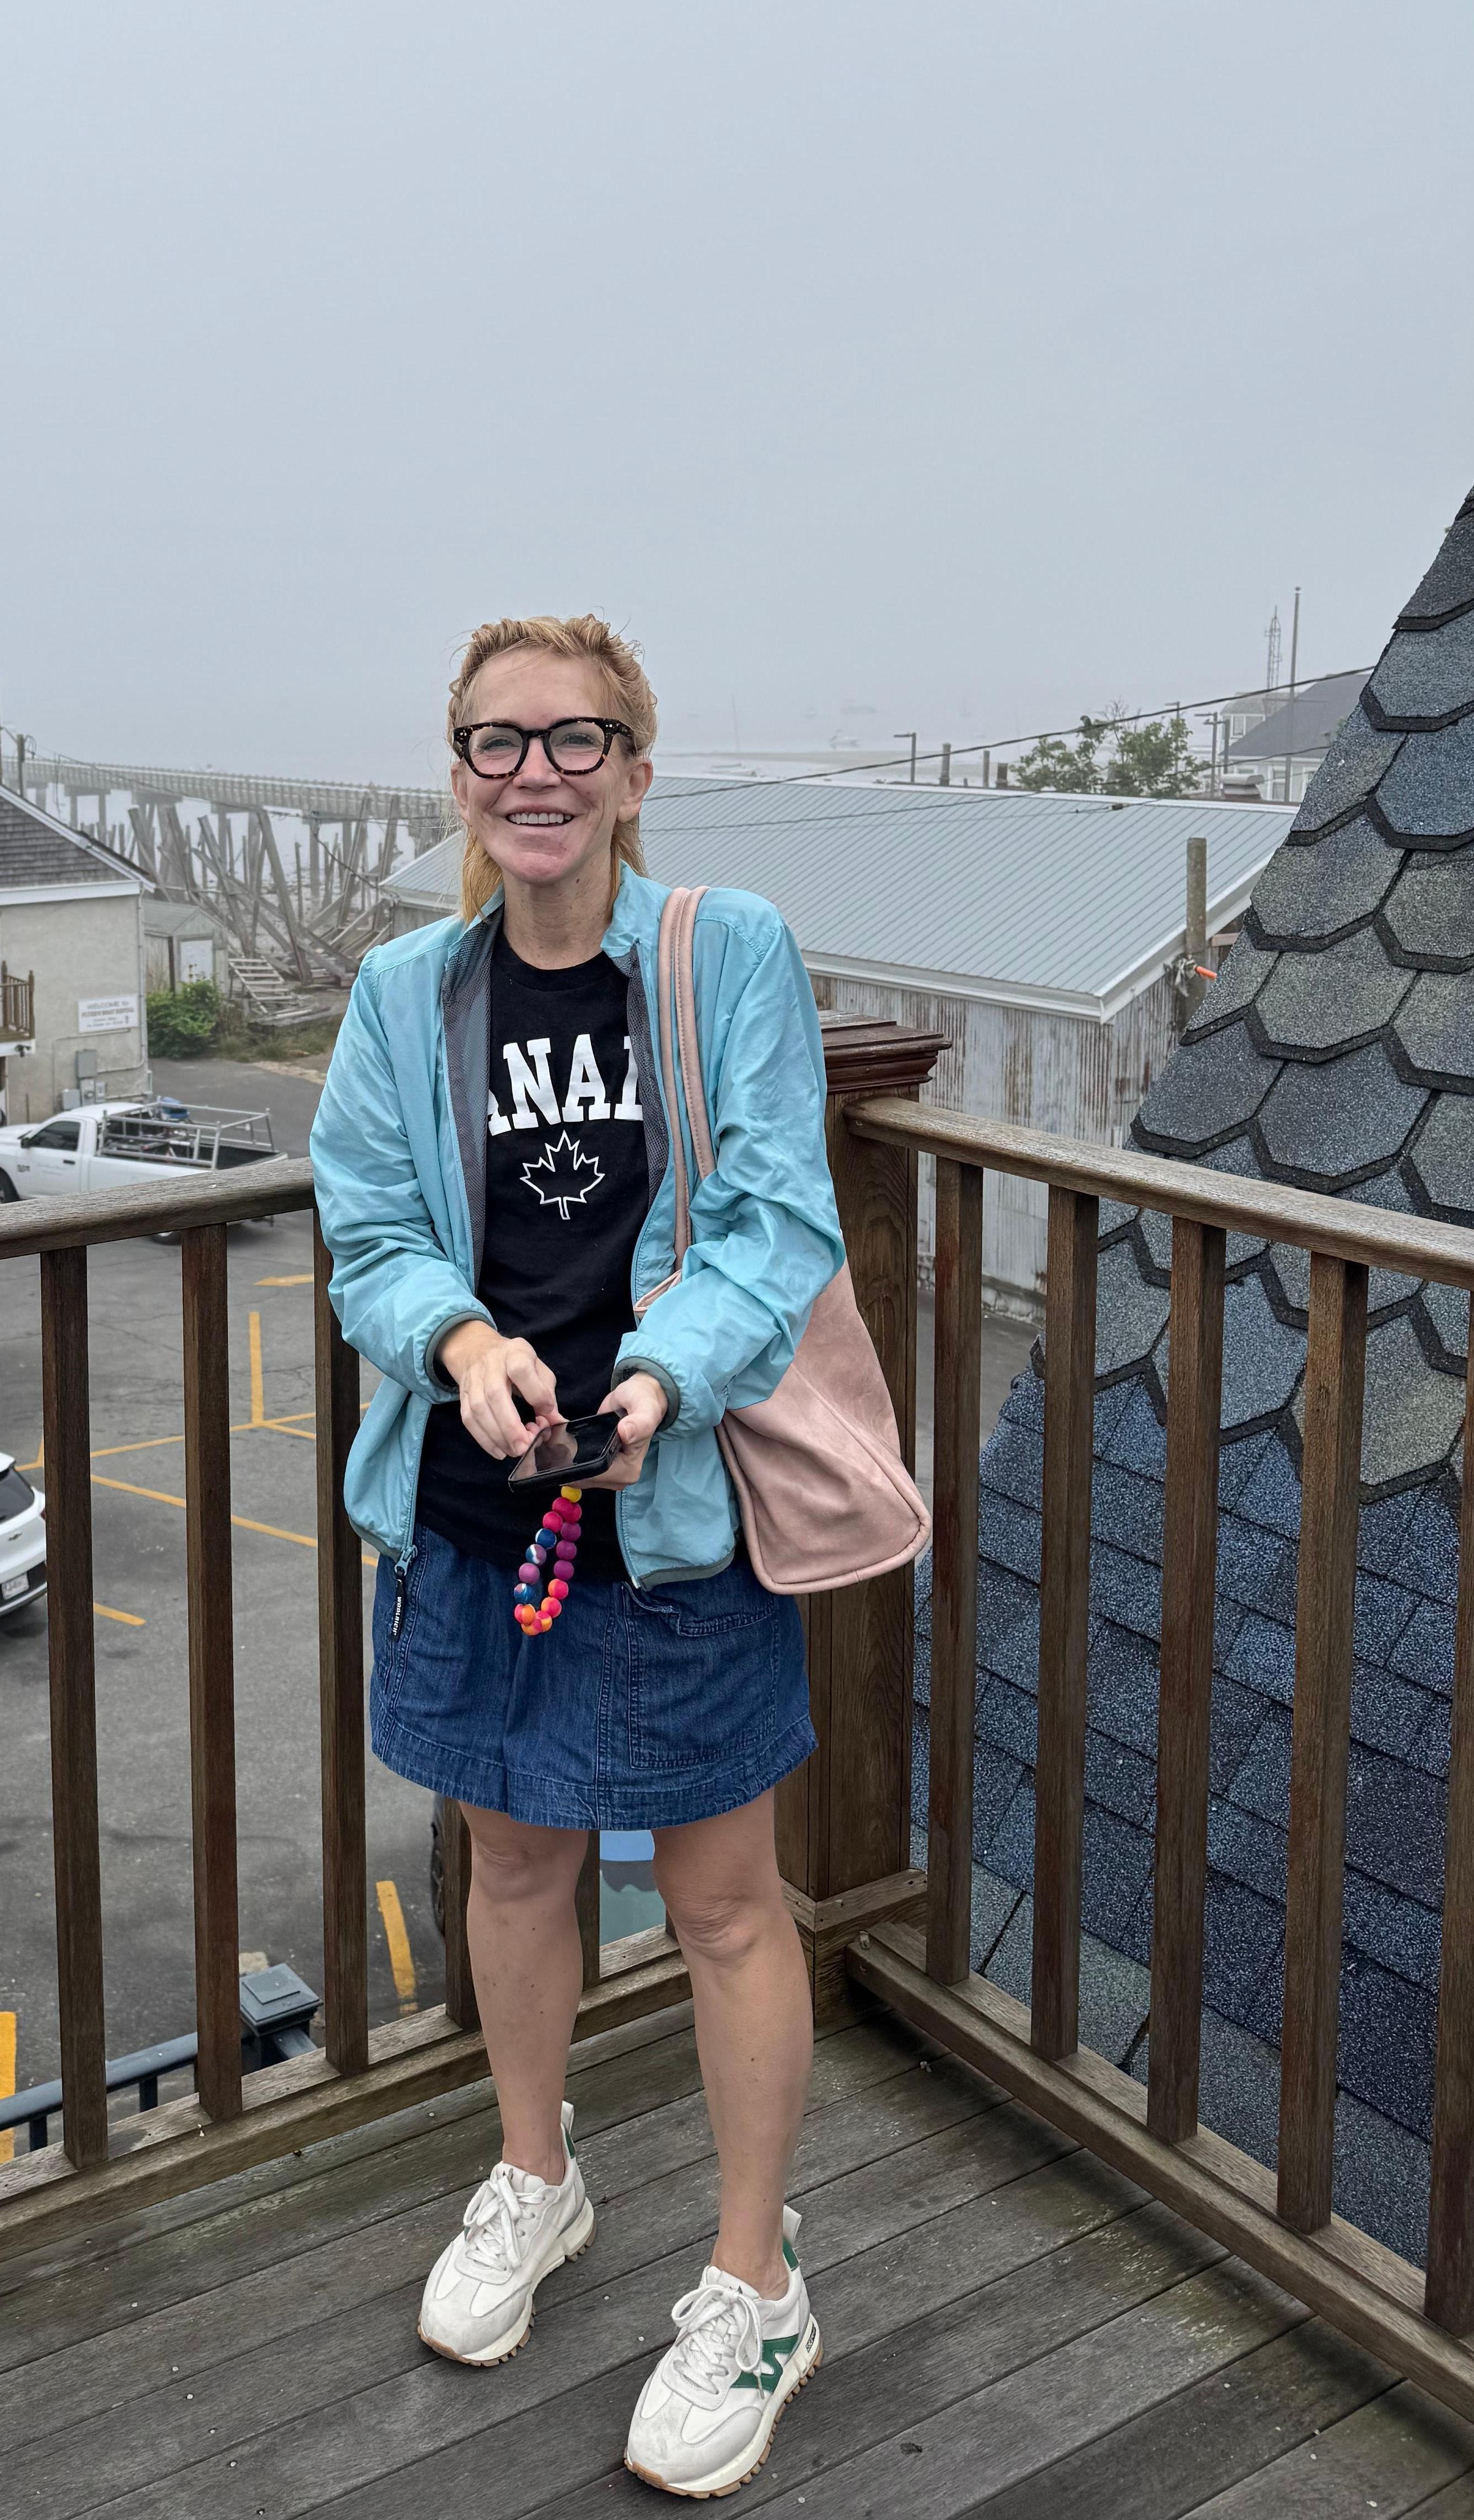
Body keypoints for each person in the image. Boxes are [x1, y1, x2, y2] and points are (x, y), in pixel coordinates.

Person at [310, 612, 843, 2499]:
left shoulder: (724, 957)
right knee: (514, 1858)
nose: (532, 773)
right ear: (455, 772)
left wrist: (657, 1383)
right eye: (493, 740)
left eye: (572, 739)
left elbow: (781, 1220)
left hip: (671, 1505)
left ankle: (755, 2278)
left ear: (632, 766)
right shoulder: (406, 991)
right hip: (472, 1508)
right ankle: (533, 2178)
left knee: (719, 1901)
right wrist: (462, 1348)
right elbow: (368, 1227)